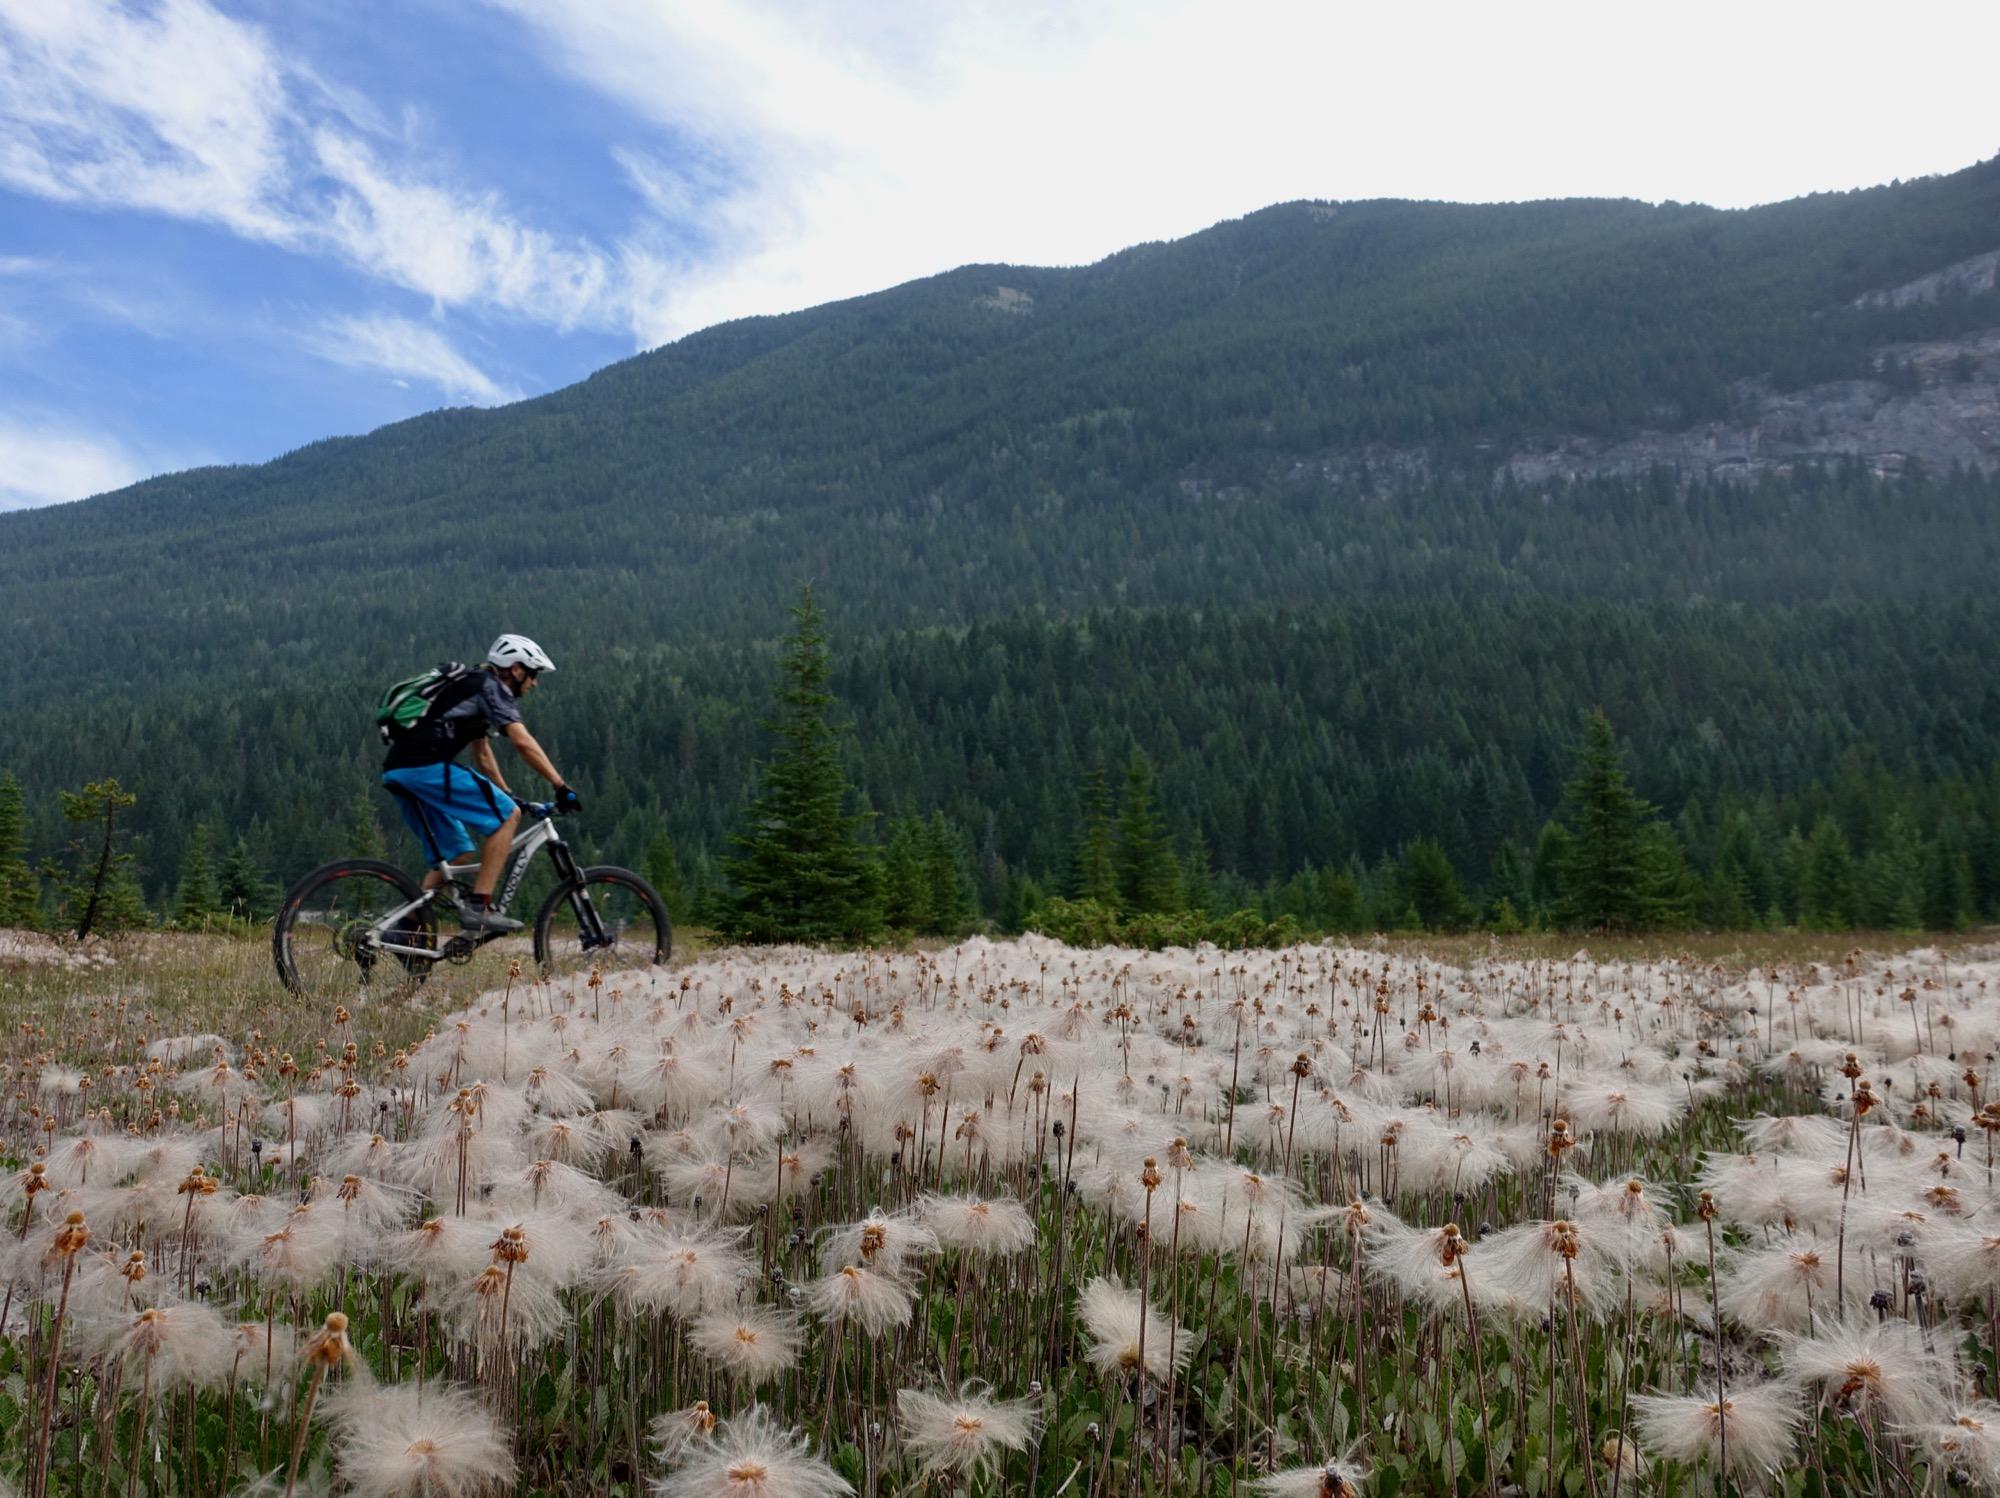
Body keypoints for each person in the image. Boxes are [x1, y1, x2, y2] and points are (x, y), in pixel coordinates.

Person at [380, 634, 580, 932]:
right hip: (425, 766)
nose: (534, 683)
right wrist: (560, 786)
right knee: (506, 817)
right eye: (533, 674)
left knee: (457, 853)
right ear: (516, 669)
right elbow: (522, 742)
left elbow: (482, 754)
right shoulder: (491, 687)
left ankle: (403, 932)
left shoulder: (469, 687)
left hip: (399, 770)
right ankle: (479, 908)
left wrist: (508, 793)